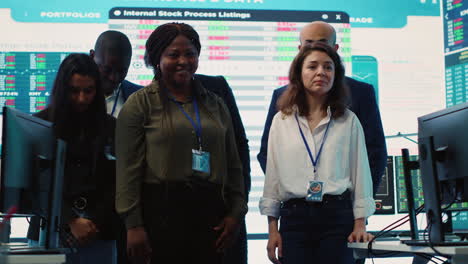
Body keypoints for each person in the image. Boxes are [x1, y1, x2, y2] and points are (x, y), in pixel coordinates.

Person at [106, 30, 252, 264]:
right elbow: (127, 172)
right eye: (173, 54)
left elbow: (233, 163)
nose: (183, 61)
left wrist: (236, 213)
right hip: (160, 213)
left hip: (211, 213)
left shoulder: (215, 103)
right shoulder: (140, 104)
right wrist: (133, 226)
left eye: (190, 54)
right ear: (157, 58)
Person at [259, 42, 375, 264]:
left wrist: (360, 223)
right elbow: (272, 177)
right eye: (312, 66)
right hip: (294, 218)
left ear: (336, 75)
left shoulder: (348, 120)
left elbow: (361, 173)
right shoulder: (281, 120)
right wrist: (272, 229)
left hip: (338, 217)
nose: (321, 72)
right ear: (298, 73)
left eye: (328, 67)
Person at [258, 21, 387, 196]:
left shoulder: (361, 93)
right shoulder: (281, 95)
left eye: (322, 42)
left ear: (335, 48)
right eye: (308, 43)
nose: (315, 47)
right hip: (296, 205)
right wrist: (292, 188)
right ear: (299, 49)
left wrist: (361, 204)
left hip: (342, 204)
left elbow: (375, 152)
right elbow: (268, 154)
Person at [26, 53, 123, 264]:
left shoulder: (111, 127)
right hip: (49, 233)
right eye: (74, 91)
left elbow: (119, 183)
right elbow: (34, 183)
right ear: (63, 90)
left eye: (88, 91)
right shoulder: (39, 125)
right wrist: (70, 219)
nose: (81, 98)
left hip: (100, 233)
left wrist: (92, 222)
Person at [90, 30, 141, 117]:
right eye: (107, 70)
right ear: (92, 57)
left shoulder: (141, 98)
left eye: (122, 71)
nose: (114, 78)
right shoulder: (71, 94)